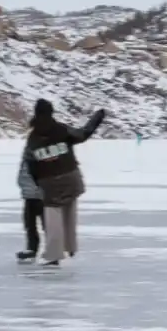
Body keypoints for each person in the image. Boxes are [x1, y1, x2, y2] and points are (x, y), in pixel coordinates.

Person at [24, 99, 106, 266]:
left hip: (48, 181)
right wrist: (97, 118)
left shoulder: (33, 137)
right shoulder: (61, 129)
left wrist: (38, 182)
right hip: (70, 176)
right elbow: (83, 134)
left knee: (53, 216)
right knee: (70, 211)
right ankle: (70, 246)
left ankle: (54, 254)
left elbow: (30, 162)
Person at [16, 155, 44, 263]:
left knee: (47, 225)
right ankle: (31, 248)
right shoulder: (27, 159)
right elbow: (22, 177)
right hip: (29, 197)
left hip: (41, 197)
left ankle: (53, 249)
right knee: (29, 225)